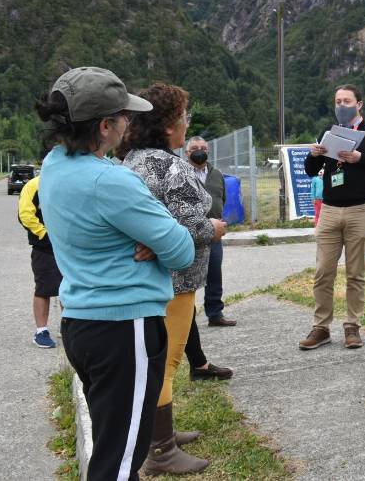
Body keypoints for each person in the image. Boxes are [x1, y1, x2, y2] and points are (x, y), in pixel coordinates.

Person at [37, 66, 195, 480]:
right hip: (124, 329)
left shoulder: (53, 166)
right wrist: (158, 238)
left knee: (115, 442)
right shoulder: (111, 181)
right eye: (124, 116)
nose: (130, 122)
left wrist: (146, 238)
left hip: (81, 323)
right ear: (105, 125)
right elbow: (180, 250)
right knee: (120, 461)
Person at [121, 83, 227, 476]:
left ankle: (159, 430)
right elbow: (188, 224)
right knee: (165, 363)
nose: (188, 125)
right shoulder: (172, 166)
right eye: (184, 117)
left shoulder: (133, 159)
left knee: (157, 360)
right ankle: (161, 449)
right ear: (168, 126)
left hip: (149, 280)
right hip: (176, 282)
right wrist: (215, 227)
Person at [301, 85, 365, 349]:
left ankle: (352, 325)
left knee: (355, 273)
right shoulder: (328, 132)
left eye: (347, 101)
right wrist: (313, 155)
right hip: (330, 210)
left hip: (360, 209)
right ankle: (321, 327)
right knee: (323, 271)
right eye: (337, 101)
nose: (341, 105)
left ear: (359, 104)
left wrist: (360, 158)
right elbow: (311, 171)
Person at [184, 136, 236, 327]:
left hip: (213, 234)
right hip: (188, 233)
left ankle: (215, 314)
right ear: (186, 153)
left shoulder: (217, 174)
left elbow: (221, 198)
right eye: (195, 148)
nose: (200, 151)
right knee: (187, 275)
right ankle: (186, 317)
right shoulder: (181, 173)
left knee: (215, 274)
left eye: (203, 148)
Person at [18, 173, 63, 348]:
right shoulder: (34, 185)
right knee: (44, 288)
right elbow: (25, 214)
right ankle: (41, 331)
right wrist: (45, 234)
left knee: (70, 287)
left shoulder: (69, 182)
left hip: (70, 246)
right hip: (44, 247)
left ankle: (67, 326)